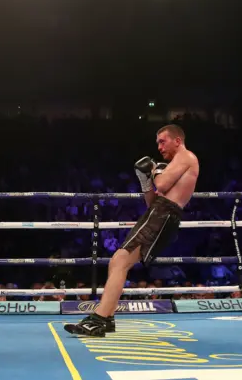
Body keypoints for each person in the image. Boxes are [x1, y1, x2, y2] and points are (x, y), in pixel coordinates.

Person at [64, 124, 199, 337]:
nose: (159, 146)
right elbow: (152, 200)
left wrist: (154, 170)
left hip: (163, 215)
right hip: (158, 213)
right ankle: (106, 318)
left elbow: (162, 185)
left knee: (120, 261)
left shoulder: (185, 156)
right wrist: (146, 182)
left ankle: (98, 319)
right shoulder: (175, 164)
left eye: (162, 141)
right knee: (117, 261)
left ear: (178, 141)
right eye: (157, 143)